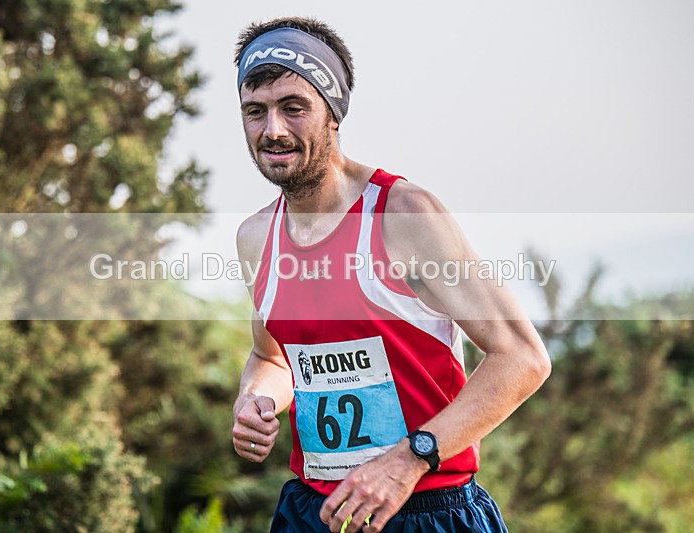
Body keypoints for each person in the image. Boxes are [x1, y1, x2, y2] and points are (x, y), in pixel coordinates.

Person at [230, 17, 551, 533]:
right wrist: (257, 398)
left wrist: (409, 460)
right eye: (255, 112)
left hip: (427, 511)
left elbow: (524, 359)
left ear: (333, 113)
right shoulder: (255, 237)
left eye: (294, 108)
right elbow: (273, 355)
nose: (273, 130)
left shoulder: (404, 215)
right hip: (313, 512)